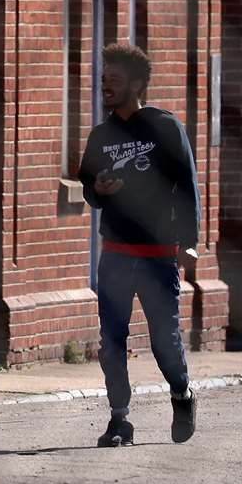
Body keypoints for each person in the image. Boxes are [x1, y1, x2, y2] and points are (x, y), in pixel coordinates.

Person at [78, 42, 200, 447]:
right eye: (103, 80)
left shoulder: (164, 128)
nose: (106, 86)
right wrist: (97, 188)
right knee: (111, 342)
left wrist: (189, 242)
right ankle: (120, 420)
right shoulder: (101, 135)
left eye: (114, 80)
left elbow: (187, 186)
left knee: (165, 341)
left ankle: (181, 393)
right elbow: (89, 186)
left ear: (137, 84)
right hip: (114, 255)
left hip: (156, 258)